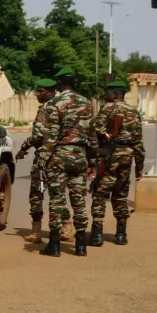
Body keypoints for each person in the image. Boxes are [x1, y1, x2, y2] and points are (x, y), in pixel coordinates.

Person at [35, 68, 97, 257]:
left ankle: (54, 245)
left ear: (60, 84)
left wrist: (41, 162)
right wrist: (92, 160)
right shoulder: (87, 103)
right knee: (79, 201)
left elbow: (51, 136)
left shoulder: (55, 103)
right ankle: (80, 245)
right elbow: (92, 134)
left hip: (59, 156)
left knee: (57, 200)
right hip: (79, 156)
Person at [15, 79, 74, 244]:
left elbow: (38, 136)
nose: (37, 95)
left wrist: (24, 147)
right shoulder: (63, 107)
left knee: (36, 194)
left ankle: (36, 232)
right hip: (59, 157)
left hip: (44, 157)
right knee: (58, 194)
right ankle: (67, 229)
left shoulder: (46, 108)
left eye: (40, 91)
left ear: (50, 92)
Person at [89, 81, 145, 246]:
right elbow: (138, 144)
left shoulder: (107, 108)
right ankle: (121, 234)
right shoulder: (134, 111)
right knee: (121, 194)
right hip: (126, 157)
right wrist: (139, 169)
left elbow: (95, 127)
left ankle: (97, 235)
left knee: (100, 193)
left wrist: (107, 137)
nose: (105, 96)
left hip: (109, 155)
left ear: (114, 94)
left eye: (107, 93)